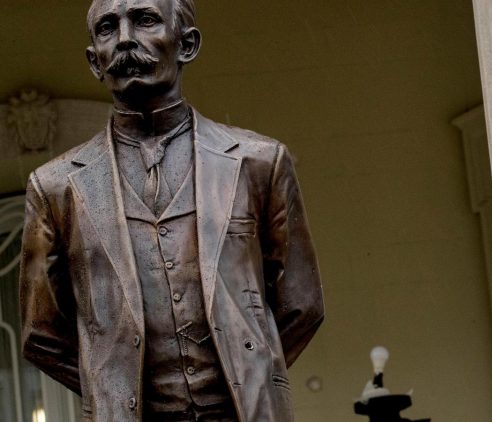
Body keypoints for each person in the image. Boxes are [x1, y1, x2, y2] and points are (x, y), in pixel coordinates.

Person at [19, 0, 324, 420]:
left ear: (187, 44)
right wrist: (113, 384)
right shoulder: (55, 187)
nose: (125, 39)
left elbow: (301, 304)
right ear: (95, 62)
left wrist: (248, 370)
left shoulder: (258, 162)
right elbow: (41, 333)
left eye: (145, 20)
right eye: (108, 28)